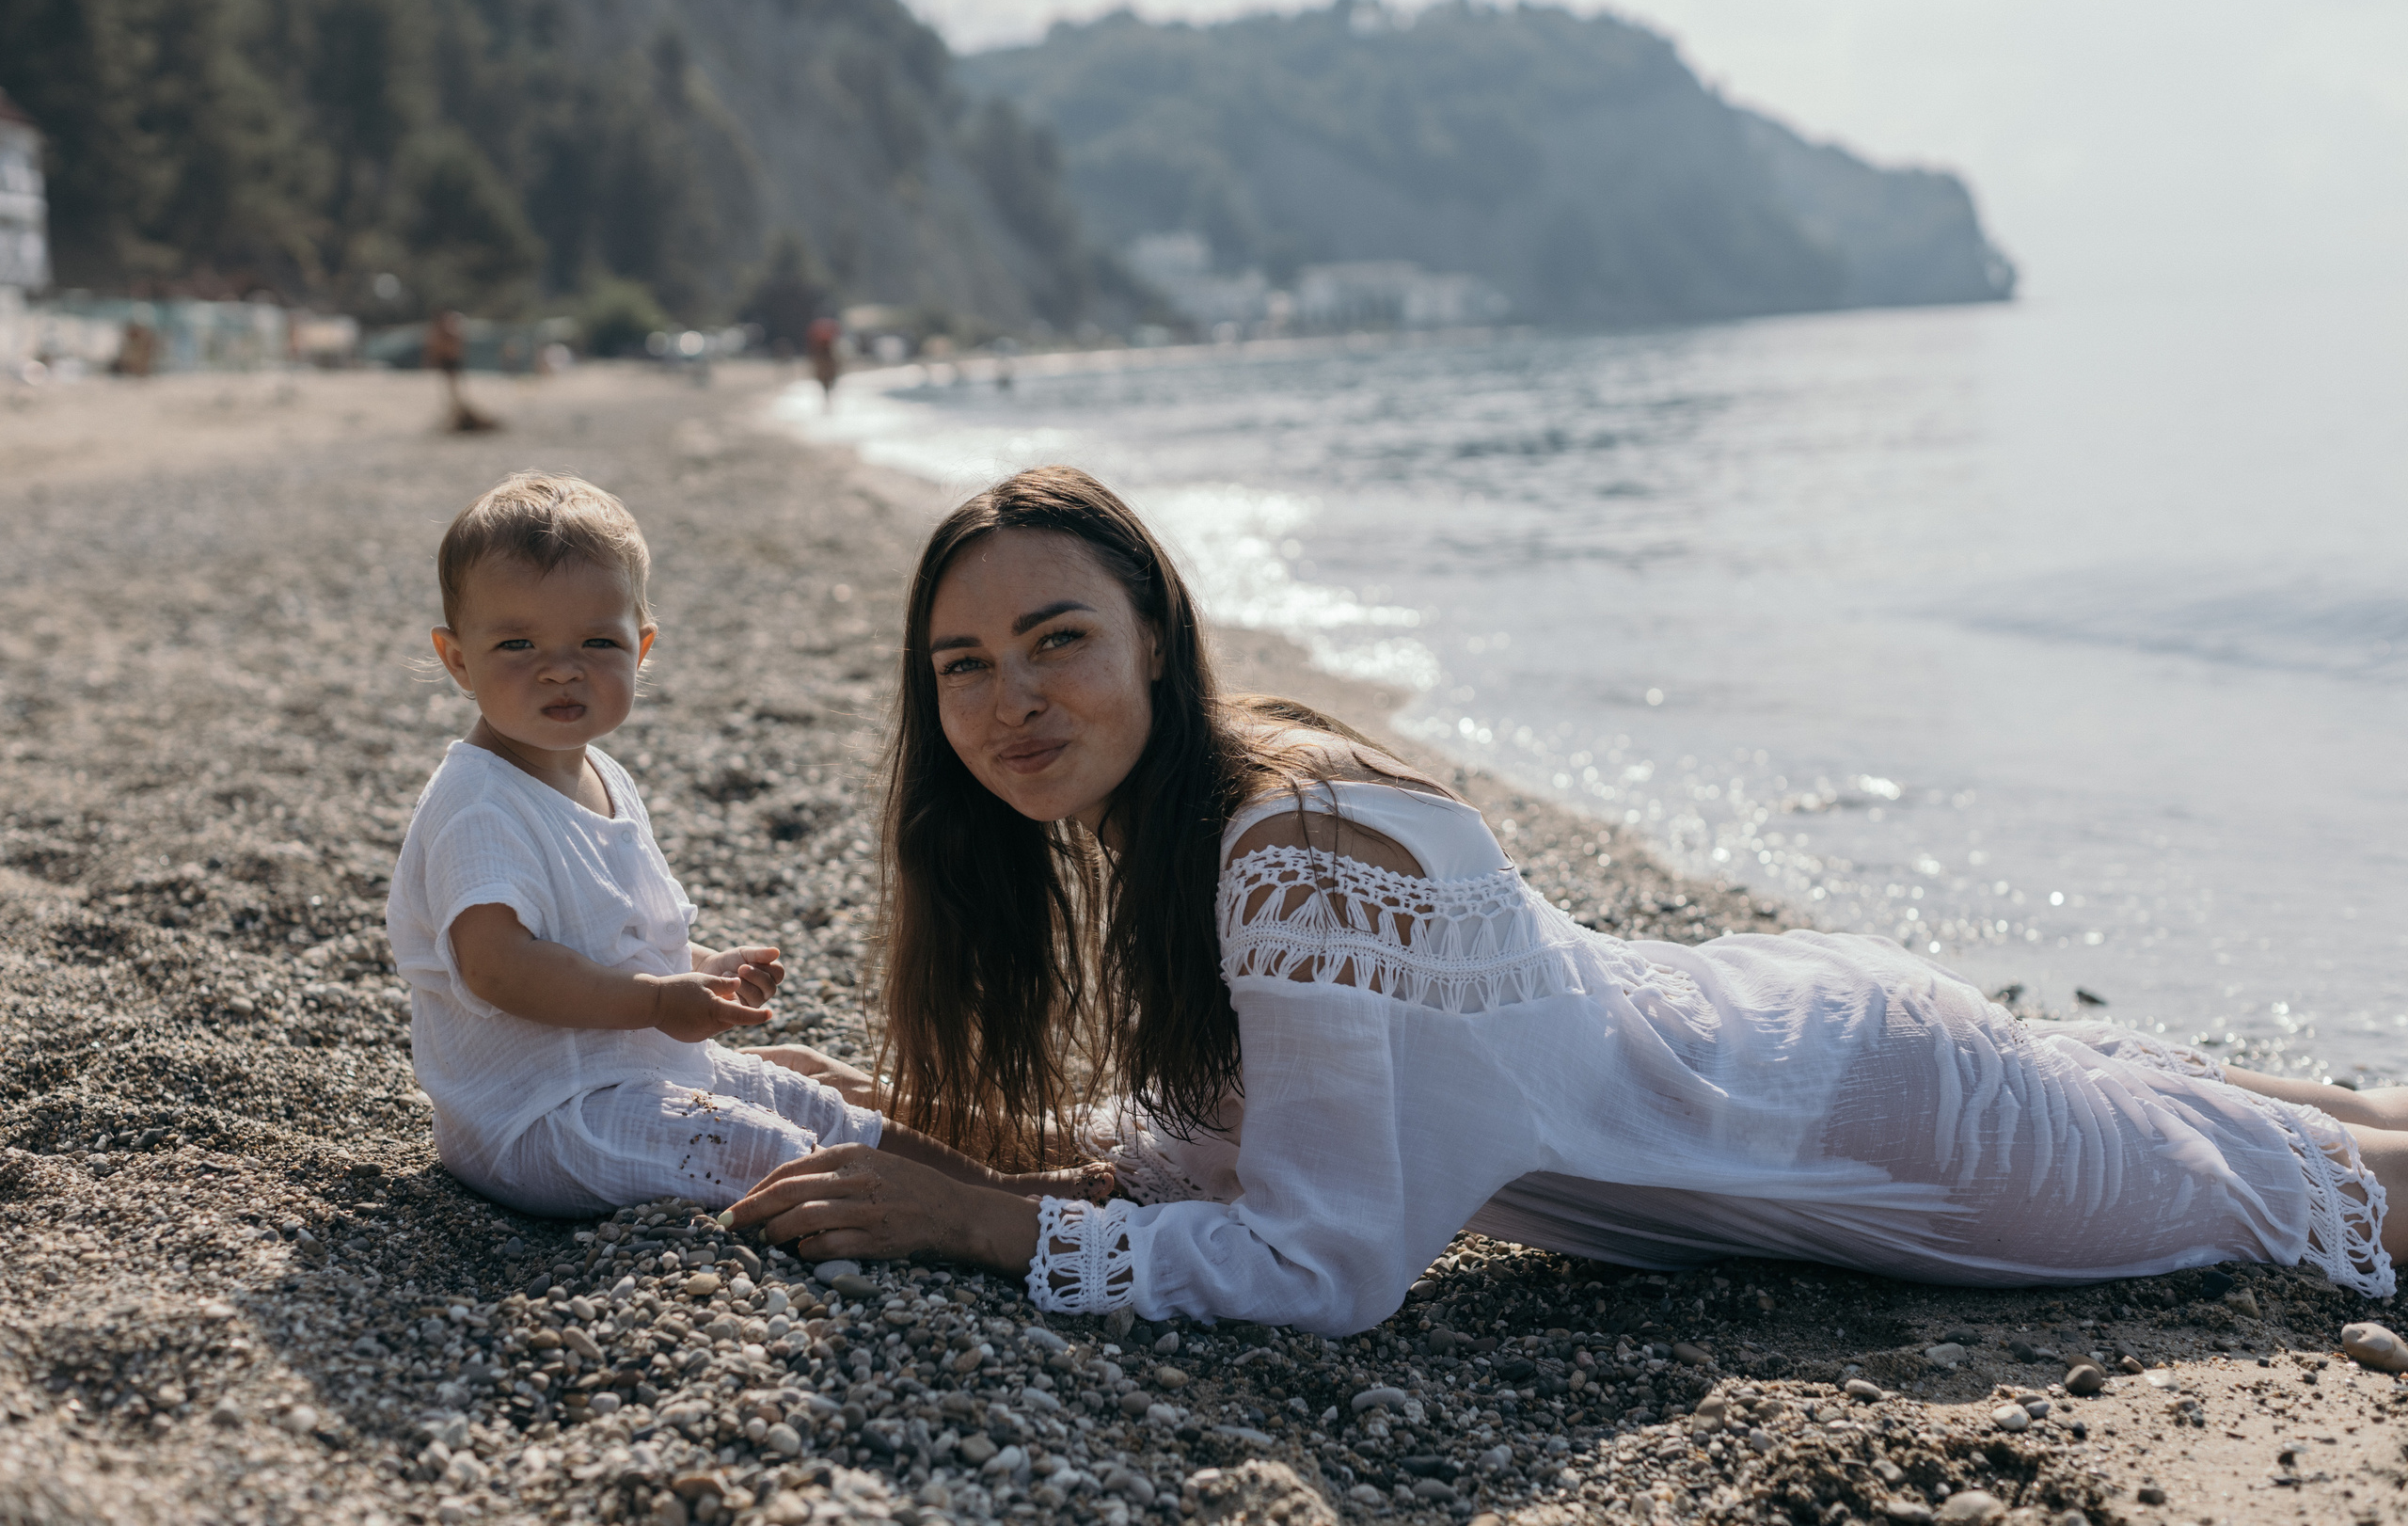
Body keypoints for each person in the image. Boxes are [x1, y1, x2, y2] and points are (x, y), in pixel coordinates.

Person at [728, 465, 2404, 1336]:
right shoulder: (1194, 815)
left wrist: (988, 1221)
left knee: (2342, 1203)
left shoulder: (1283, 846)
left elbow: (1333, 1258)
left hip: (1890, 1136)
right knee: (2319, 1124)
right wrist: (990, 1133)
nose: (1012, 698)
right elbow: (1301, 1121)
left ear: (1153, 634)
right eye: (965, 665)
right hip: (1796, 1042)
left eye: (1057, 640)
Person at [386, 471, 1102, 1217]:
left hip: (633, 1070)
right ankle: (953, 1204)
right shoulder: (479, 804)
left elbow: (611, 940)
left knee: (807, 1098)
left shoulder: (602, 774)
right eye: (517, 642)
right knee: (753, 1140)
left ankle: (998, 1191)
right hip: (539, 1118)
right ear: (457, 659)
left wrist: (702, 972)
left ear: (642, 647)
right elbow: (497, 966)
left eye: (598, 640)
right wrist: (658, 1000)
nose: (561, 667)